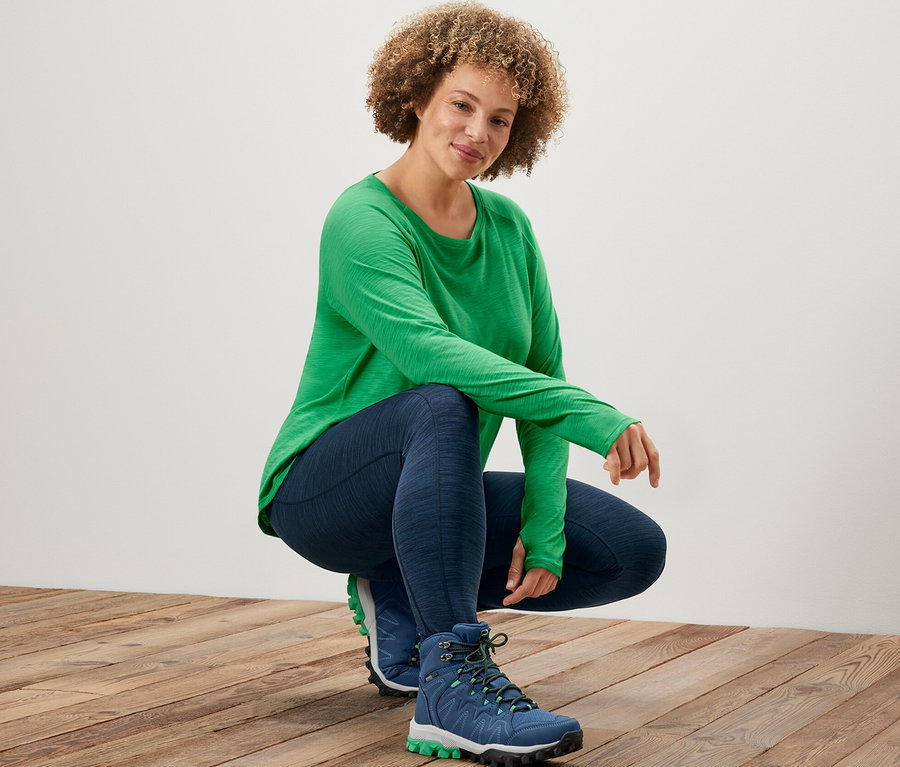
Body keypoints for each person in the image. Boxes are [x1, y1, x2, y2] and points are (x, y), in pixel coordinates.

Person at [258, 3, 666, 764]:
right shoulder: (363, 219)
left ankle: (403, 594)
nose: (478, 133)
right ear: (418, 97)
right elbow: (432, 354)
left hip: (430, 484)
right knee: (441, 403)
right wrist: (591, 415)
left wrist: (545, 519)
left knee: (628, 549)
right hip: (322, 494)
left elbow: (540, 373)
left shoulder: (508, 228)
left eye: (502, 119)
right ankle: (449, 685)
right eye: (462, 105)